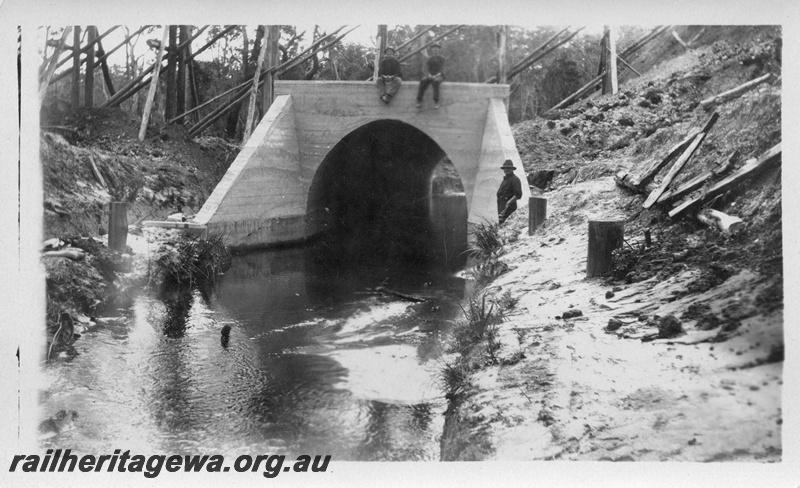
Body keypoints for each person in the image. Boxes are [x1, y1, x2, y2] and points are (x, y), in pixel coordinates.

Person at [416, 43, 446, 109]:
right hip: (430, 75)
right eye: (434, 50)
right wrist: (429, 75)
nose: (435, 51)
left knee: (436, 82)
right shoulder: (429, 59)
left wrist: (436, 75)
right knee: (423, 81)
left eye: (437, 49)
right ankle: (419, 100)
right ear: (432, 50)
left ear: (439, 50)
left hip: (439, 75)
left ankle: (436, 102)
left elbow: (442, 69)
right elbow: (426, 69)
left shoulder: (442, 59)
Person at [497, 159, 523, 224]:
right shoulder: (505, 179)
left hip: (509, 207)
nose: (507, 170)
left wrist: (508, 202)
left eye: (509, 168)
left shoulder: (515, 179)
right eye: (505, 168)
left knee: (508, 223)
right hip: (501, 205)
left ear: (512, 169)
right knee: (501, 222)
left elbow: (518, 195)